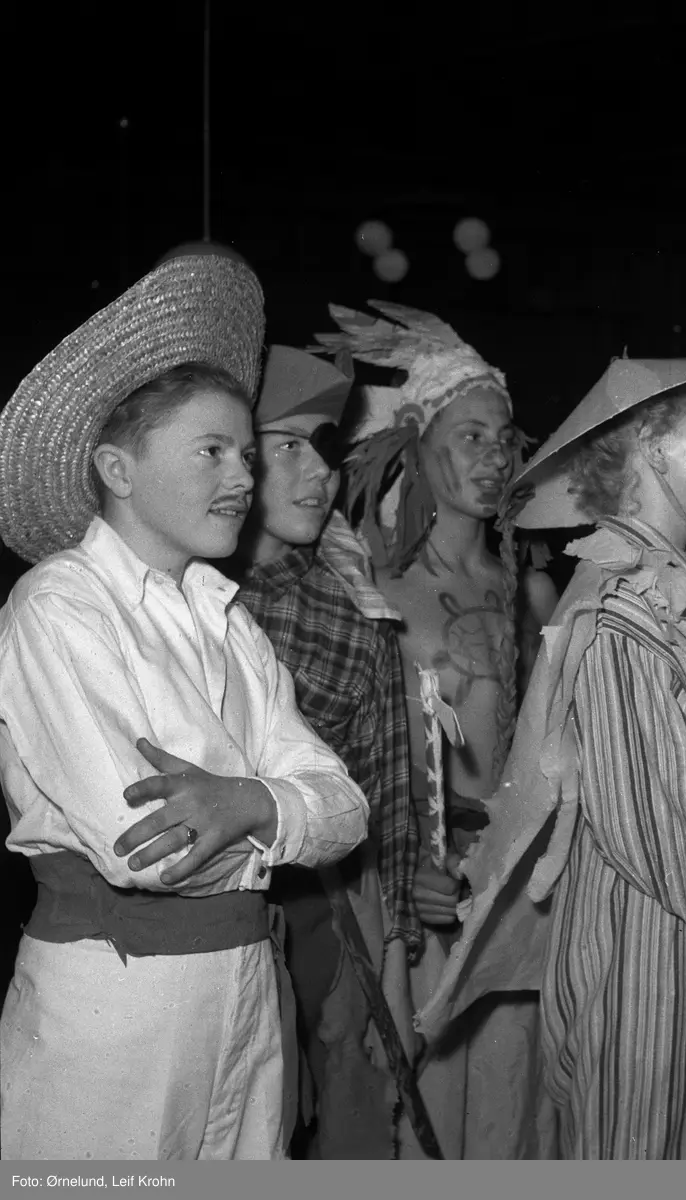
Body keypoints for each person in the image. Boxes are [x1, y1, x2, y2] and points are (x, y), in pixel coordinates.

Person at [415, 354, 686, 1159]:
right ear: (651, 448)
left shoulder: (682, 604)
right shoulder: (619, 618)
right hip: (646, 971)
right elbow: (654, 827)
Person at [0, 256, 370, 1161]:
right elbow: (154, 855)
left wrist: (245, 803)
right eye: (211, 451)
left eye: (246, 454)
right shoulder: (61, 606)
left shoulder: (230, 620)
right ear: (116, 468)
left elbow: (348, 808)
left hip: (246, 990)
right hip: (120, 1011)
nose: (242, 477)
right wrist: (285, 811)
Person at [314, 302, 559, 1158]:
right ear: (415, 443)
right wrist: (399, 866)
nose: (491, 459)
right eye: (468, 438)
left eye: (502, 439)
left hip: (518, 899)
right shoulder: (373, 588)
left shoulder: (528, 590)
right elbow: (339, 760)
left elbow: (552, 755)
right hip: (414, 900)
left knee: (510, 1119)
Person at [231, 345, 433, 1158]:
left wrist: (396, 975)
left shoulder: (352, 620)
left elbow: (389, 812)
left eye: (323, 446)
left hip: (329, 928)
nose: (318, 472)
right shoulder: (172, 601)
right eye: (287, 446)